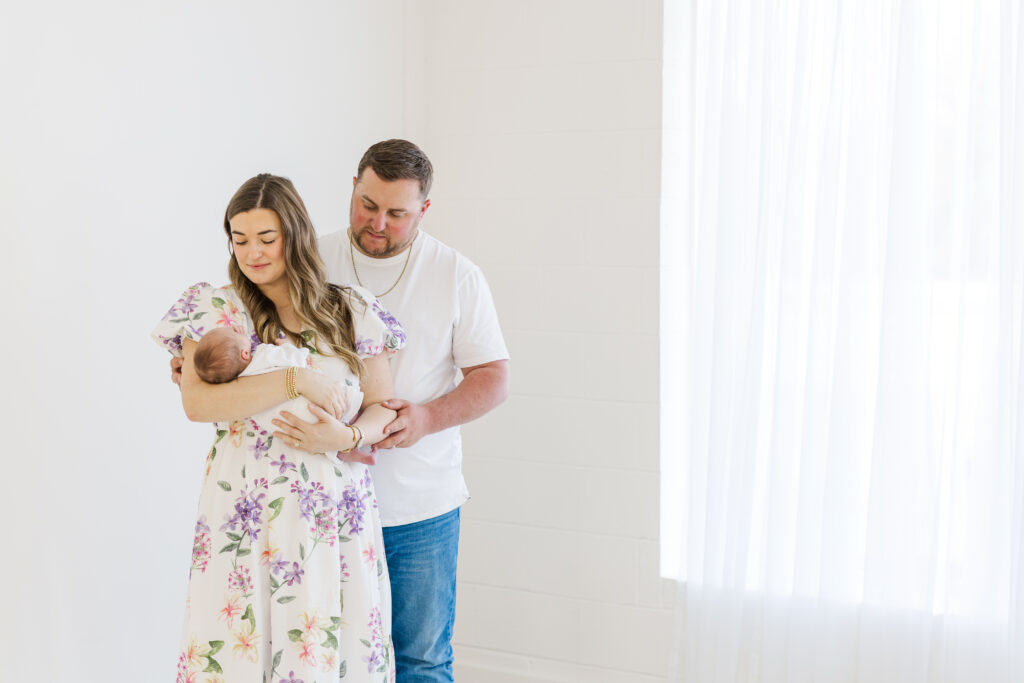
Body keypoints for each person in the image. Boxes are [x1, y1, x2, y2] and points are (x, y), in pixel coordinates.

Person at [154, 173, 403, 682]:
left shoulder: (350, 309)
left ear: (296, 234)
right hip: (244, 510)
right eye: (239, 240)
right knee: (238, 646)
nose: (253, 253)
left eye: (267, 239)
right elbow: (198, 403)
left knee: (323, 646)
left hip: (332, 513)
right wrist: (296, 380)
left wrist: (349, 437)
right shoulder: (218, 310)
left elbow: (383, 407)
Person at [291, 139, 511, 682]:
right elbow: (258, 341)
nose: (378, 223)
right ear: (353, 187)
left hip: (419, 506)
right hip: (325, 496)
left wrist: (427, 418)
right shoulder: (312, 260)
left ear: (424, 210)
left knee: (421, 660)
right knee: (326, 657)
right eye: (368, 205)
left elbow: (494, 378)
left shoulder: (456, 275)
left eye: (397, 213)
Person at [192, 325, 364, 424]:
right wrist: (287, 345)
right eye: (235, 333)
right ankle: (352, 422)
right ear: (245, 354)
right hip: (315, 405)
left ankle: (347, 449)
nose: (238, 330)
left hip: (290, 420)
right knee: (344, 402)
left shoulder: (243, 383)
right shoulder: (264, 354)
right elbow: (296, 361)